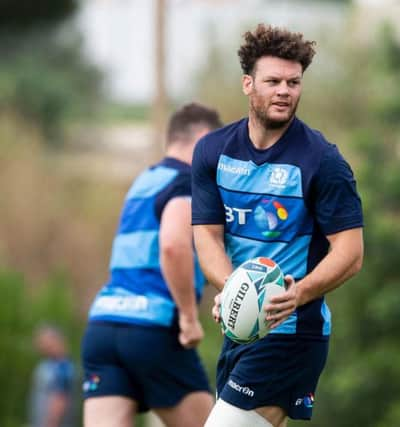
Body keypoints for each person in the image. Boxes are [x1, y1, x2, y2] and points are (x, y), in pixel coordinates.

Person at [191, 24, 364, 427]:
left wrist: (298, 294)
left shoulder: (323, 162)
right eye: (273, 81)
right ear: (248, 84)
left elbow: (351, 254)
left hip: (293, 336)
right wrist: (230, 287)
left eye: (293, 82)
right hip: (241, 336)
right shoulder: (212, 152)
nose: (284, 90)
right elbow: (208, 237)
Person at [81, 103, 223, 427]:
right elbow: (173, 245)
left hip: (104, 326)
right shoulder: (188, 180)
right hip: (152, 327)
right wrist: (188, 317)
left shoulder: (145, 181)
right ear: (202, 140)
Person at [29, 324, 76, 427]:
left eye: (42, 341)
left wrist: (51, 424)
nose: (39, 345)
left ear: (54, 340)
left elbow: (60, 398)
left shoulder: (63, 367)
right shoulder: (50, 363)